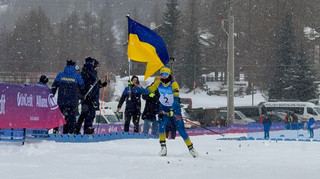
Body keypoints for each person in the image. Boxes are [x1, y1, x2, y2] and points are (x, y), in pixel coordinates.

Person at [134, 66, 198, 158]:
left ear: (169, 75)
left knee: (181, 129)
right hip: (163, 108)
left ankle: (191, 149)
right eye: (162, 74)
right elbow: (148, 91)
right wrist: (138, 88)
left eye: (166, 74)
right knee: (161, 126)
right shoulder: (158, 83)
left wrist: (172, 109)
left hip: (174, 108)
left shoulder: (174, 84)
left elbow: (176, 98)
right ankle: (163, 149)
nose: (163, 76)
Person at [75, 57, 109, 134]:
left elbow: (98, 86)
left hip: (91, 98)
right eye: (97, 66)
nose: (98, 68)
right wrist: (89, 96)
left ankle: (79, 129)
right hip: (89, 98)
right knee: (88, 115)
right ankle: (86, 130)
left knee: (85, 114)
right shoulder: (88, 74)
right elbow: (86, 87)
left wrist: (105, 83)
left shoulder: (93, 75)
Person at [51, 59, 84, 134]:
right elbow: (82, 87)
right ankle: (70, 133)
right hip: (73, 102)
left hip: (61, 101)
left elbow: (54, 87)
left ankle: (55, 132)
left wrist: (51, 96)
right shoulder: (77, 76)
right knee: (71, 119)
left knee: (58, 117)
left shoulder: (60, 75)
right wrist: (81, 96)